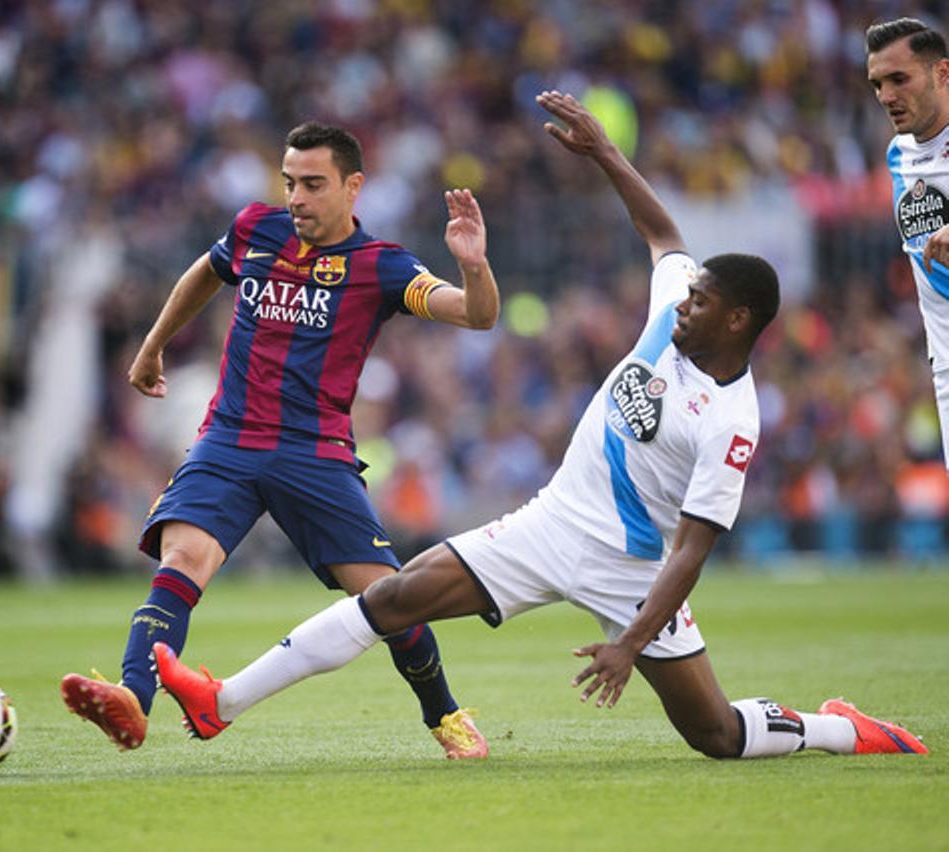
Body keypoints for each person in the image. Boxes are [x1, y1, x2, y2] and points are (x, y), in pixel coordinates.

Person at [150, 92, 929, 759]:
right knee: (392, 600)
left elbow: (692, 550)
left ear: (739, 319)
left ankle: (842, 730)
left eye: (698, 303)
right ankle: (220, 702)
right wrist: (603, 153)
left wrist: (629, 641)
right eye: (683, 295)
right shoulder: (672, 308)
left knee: (715, 736)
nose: (681, 303)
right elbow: (662, 233)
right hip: (553, 521)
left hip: (634, 573)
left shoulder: (732, 420)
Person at [61, 121, 499, 758]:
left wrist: (475, 265)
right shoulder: (254, 229)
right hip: (229, 440)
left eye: (313, 184)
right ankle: (132, 697)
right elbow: (202, 276)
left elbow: (478, 315)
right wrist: (152, 346)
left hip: (314, 453)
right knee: (180, 562)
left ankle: (446, 714)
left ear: (353, 187)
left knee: (390, 598)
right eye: (290, 181)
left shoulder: (381, 266)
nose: (296, 197)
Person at [866, 18, 949, 470]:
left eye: (900, 79)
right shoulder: (898, 155)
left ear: (942, 73)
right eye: (877, 84)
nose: (886, 96)